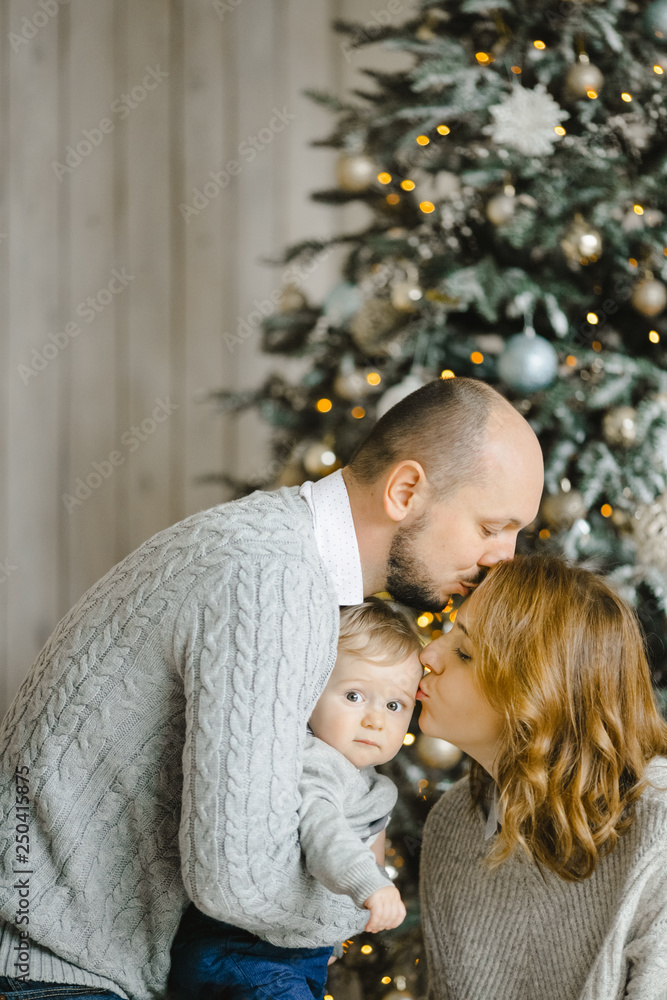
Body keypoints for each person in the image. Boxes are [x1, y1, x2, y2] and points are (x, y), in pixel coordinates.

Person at [0, 376, 543, 1000]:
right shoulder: (275, 583)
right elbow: (236, 879)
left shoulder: (276, 550)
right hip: (53, 975)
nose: (504, 557)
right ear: (406, 489)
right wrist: (369, 897)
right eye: (491, 526)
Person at [417, 554, 667, 1000]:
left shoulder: (659, 831)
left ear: (538, 696)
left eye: (464, 653)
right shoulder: (451, 824)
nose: (428, 654)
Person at [167, 597, 423, 1000]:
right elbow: (323, 831)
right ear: (310, 691)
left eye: (394, 705)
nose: (375, 719)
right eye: (354, 696)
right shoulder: (312, 761)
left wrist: (331, 937)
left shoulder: (372, 787)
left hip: (292, 953)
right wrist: (370, 886)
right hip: (245, 949)